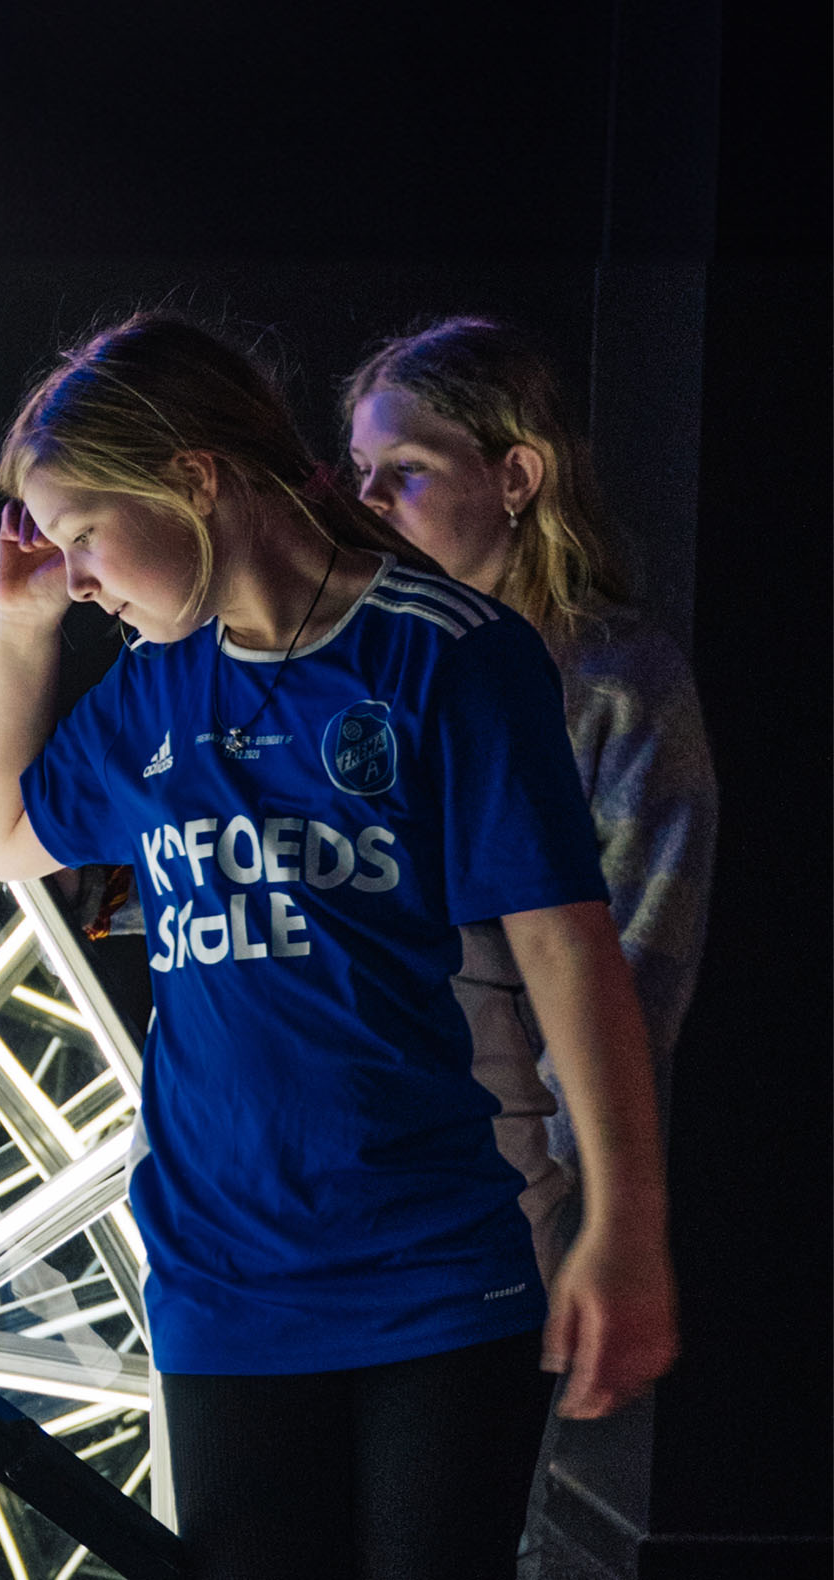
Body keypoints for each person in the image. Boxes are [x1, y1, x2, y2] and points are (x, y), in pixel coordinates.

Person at [0, 313, 674, 1579]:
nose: (77, 575)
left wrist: (624, 1221)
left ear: (193, 475)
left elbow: (574, 951)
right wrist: (23, 631)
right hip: (219, 1278)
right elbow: (6, 828)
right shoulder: (153, 687)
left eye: (82, 536)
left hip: (434, 1271)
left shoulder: (451, 653)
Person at [343, 317, 715, 1278]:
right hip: (355, 1170)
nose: (370, 501)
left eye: (408, 470)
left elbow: (637, 963)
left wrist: (541, 1180)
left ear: (517, 476)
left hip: (513, 1199)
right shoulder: (355, 676)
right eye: (360, 471)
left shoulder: (622, 685)